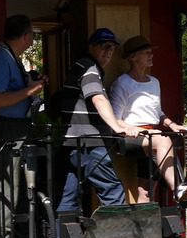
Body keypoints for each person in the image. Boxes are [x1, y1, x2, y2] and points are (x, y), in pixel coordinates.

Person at [0, 15, 47, 238]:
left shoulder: (10, 58)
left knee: (17, 191)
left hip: (16, 128)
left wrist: (29, 84)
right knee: (5, 189)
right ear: (27, 36)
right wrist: (31, 90)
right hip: (6, 129)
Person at [57, 28, 142, 217]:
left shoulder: (83, 66)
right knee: (113, 192)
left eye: (111, 47)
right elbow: (98, 99)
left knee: (71, 197)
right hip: (90, 142)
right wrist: (117, 127)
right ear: (91, 47)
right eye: (103, 46)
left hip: (76, 143)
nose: (108, 51)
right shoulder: (89, 68)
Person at [109, 35, 187, 202]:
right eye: (146, 53)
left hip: (151, 135)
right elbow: (115, 119)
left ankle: (145, 226)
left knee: (146, 190)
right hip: (130, 137)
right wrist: (138, 130)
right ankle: (178, 188)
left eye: (150, 53)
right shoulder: (122, 83)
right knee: (162, 141)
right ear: (132, 57)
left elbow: (158, 112)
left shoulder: (154, 82)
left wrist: (172, 124)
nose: (151, 56)